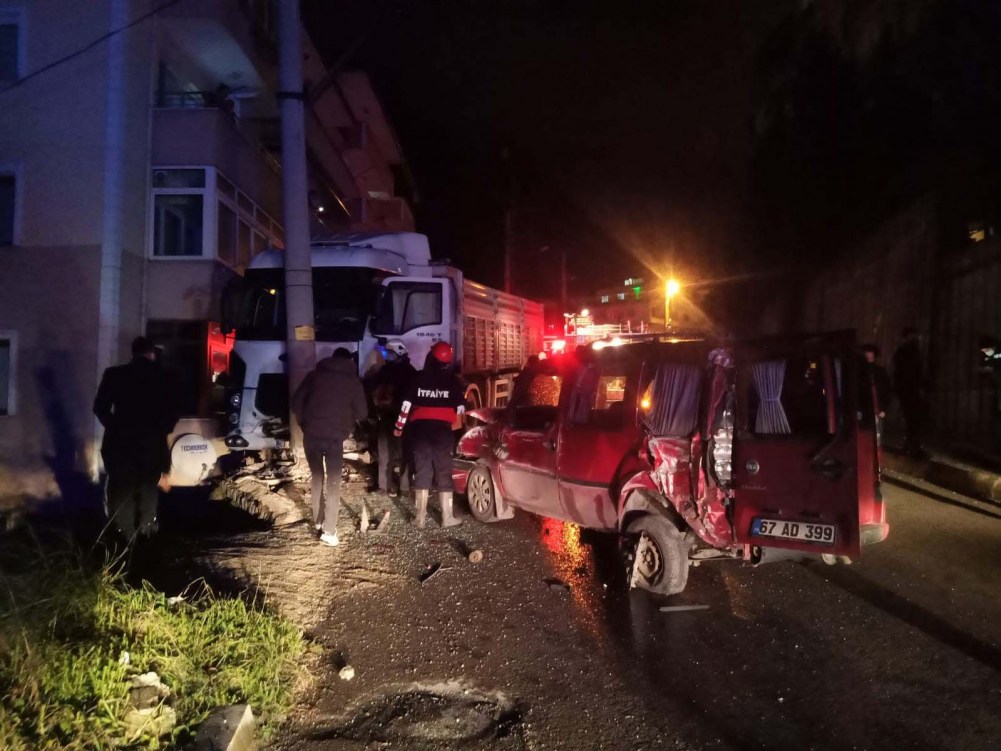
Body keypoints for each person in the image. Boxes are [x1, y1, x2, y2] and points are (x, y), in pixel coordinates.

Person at [93, 336, 180, 540]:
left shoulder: (114, 374)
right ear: (152, 354)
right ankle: (147, 532)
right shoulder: (163, 377)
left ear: (133, 353)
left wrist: (115, 427)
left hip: (120, 442)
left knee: (123, 487)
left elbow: (99, 407)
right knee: (148, 487)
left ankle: (124, 535)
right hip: (152, 442)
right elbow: (173, 411)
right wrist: (162, 429)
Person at [291, 348, 367, 546]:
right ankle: (329, 531)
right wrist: (347, 419)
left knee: (317, 477)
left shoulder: (313, 376)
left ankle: (318, 521)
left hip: (311, 436)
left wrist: (305, 424)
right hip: (334, 439)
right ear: (349, 361)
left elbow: (296, 404)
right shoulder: (353, 382)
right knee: (334, 482)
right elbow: (363, 413)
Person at [393, 342, 465, 528]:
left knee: (422, 470)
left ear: (430, 358)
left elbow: (405, 406)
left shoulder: (418, 378)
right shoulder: (453, 381)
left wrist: (399, 427)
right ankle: (447, 518)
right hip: (443, 432)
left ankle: (420, 519)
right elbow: (460, 409)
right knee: (444, 471)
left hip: (420, 431)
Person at [368, 339, 417, 498]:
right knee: (385, 452)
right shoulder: (387, 371)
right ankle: (385, 485)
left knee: (403, 453)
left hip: (401, 418)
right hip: (388, 416)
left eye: (390, 353)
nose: (386, 356)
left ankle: (402, 486)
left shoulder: (407, 372)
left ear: (399, 352)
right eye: (386, 353)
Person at [892, 327, 927, 457]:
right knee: (913, 419)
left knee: (912, 419)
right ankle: (912, 446)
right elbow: (912, 372)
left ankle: (911, 445)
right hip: (909, 389)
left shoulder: (902, 351)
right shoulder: (910, 351)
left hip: (907, 389)